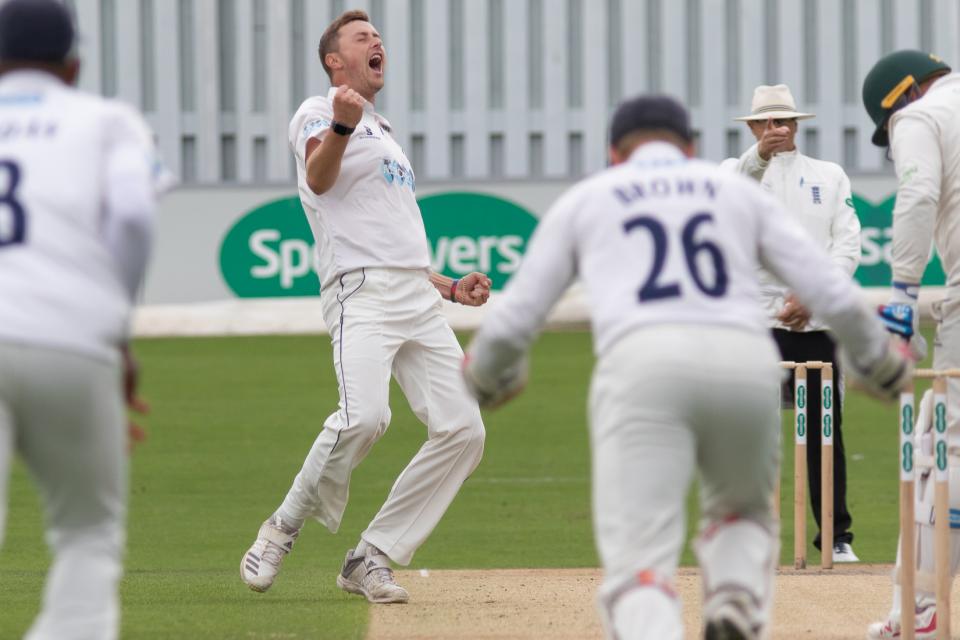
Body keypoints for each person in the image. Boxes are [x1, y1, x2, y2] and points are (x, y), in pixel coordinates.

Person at [462, 94, 913, 640]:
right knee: (742, 512)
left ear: (613, 152)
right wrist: (881, 365)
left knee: (641, 559)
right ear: (690, 147)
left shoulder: (591, 198)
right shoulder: (729, 190)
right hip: (746, 359)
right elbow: (828, 287)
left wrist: (486, 377)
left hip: (641, 365)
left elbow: (516, 317)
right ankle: (734, 600)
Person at [240, 10, 490, 604]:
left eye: (378, 36)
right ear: (335, 60)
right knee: (364, 418)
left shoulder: (384, 128)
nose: (377, 41)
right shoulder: (318, 112)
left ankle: (370, 556)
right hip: (360, 293)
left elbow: (389, 234)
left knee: (464, 429)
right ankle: (282, 527)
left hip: (414, 293)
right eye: (362, 37)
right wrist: (343, 127)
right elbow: (320, 180)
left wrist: (447, 286)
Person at [0, 1, 164, 638]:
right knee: (87, 535)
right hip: (68, 337)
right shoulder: (106, 120)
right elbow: (132, 216)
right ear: (73, 65)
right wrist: (116, 330)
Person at [721, 84, 863, 562]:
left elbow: (847, 245)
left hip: (816, 321)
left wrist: (814, 292)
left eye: (783, 121)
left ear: (798, 125)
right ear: (752, 126)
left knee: (826, 432)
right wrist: (757, 156)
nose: (775, 130)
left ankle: (837, 538)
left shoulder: (829, 175)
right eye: (765, 122)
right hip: (757, 321)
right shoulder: (733, 173)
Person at [861, 49, 957, 639]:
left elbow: (918, 196)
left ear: (903, 96)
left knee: (937, 450)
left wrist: (901, 295)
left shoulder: (919, 117)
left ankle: (918, 611)